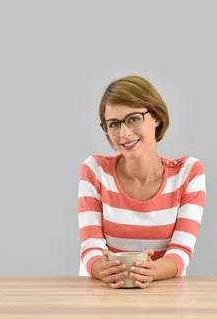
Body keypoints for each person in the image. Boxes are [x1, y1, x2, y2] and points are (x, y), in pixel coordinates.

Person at [77, 75, 206, 288]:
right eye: (114, 124)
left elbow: (181, 251)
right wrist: (102, 268)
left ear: (156, 117)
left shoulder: (188, 172)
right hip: (104, 290)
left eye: (134, 118)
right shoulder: (95, 170)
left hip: (163, 290)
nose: (124, 133)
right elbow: (91, 246)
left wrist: (151, 271)